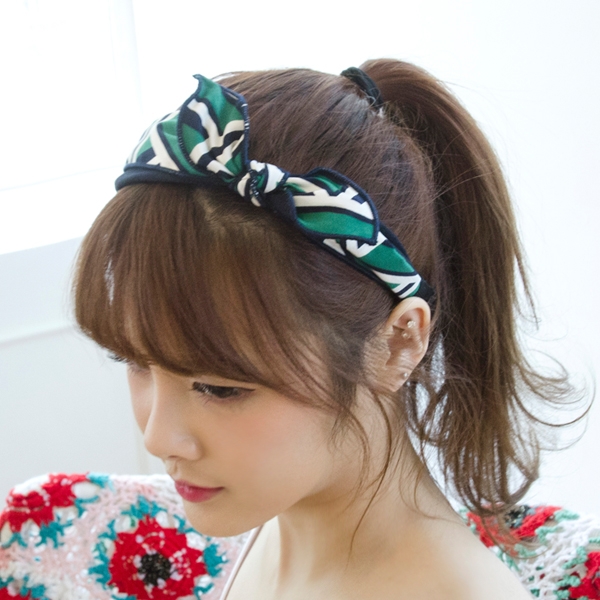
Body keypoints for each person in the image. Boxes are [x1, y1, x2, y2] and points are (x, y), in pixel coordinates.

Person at [15, 60, 580, 598]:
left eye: (220, 388)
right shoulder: (284, 516)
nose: (158, 439)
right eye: (134, 362)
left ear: (398, 343)